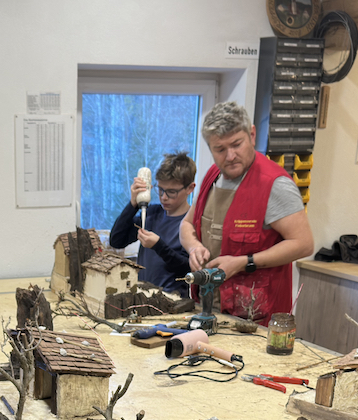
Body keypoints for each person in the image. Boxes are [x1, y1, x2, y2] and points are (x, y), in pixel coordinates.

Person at [179, 102, 314, 324]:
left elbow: (304, 244)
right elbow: (187, 224)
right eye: (220, 149)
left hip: (254, 318)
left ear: (252, 135)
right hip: (209, 306)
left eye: (237, 144)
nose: (230, 156)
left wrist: (245, 262)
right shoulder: (213, 176)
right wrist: (194, 247)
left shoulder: (274, 184)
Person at [107, 151, 196, 295]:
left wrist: (158, 246)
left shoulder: (192, 222)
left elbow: (187, 268)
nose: (164, 197)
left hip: (173, 299)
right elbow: (117, 241)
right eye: (160, 190)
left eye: (171, 192)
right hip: (144, 295)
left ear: (190, 188)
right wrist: (133, 204)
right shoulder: (152, 214)